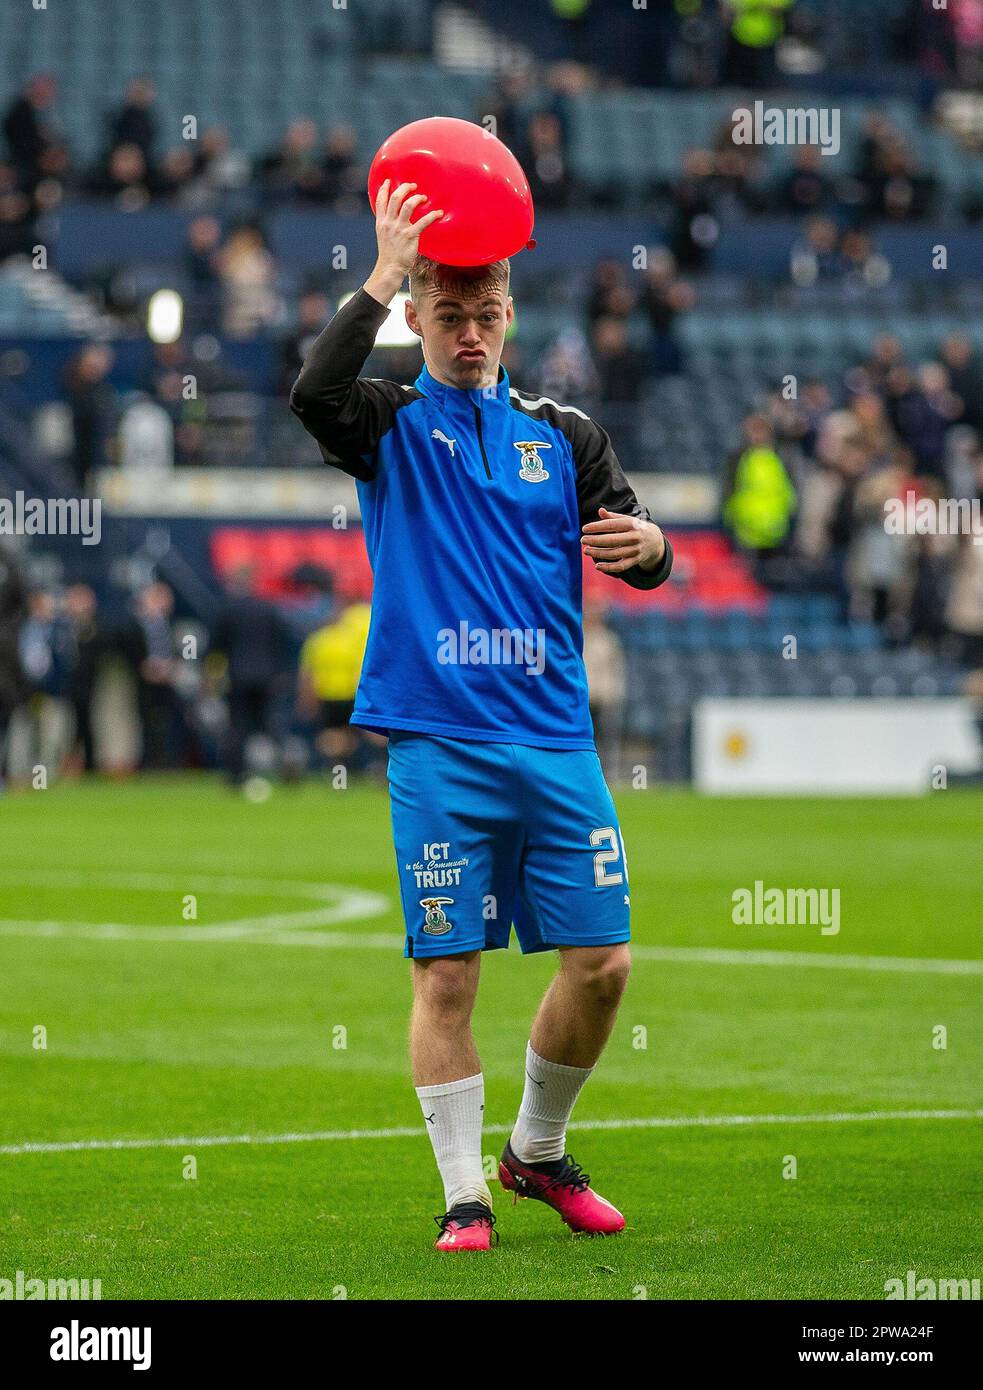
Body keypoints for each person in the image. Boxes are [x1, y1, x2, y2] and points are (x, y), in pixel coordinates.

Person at [290, 179, 673, 1253]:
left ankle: (534, 1153)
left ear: (509, 315)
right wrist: (378, 271)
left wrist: (652, 550)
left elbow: (641, 541)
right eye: (446, 314)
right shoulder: (388, 420)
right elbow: (312, 394)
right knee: (446, 971)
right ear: (417, 317)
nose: (467, 332)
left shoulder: (565, 435)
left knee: (603, 964)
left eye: (485, 313)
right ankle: (464, 1194)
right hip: (438, 743)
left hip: (554, 740)